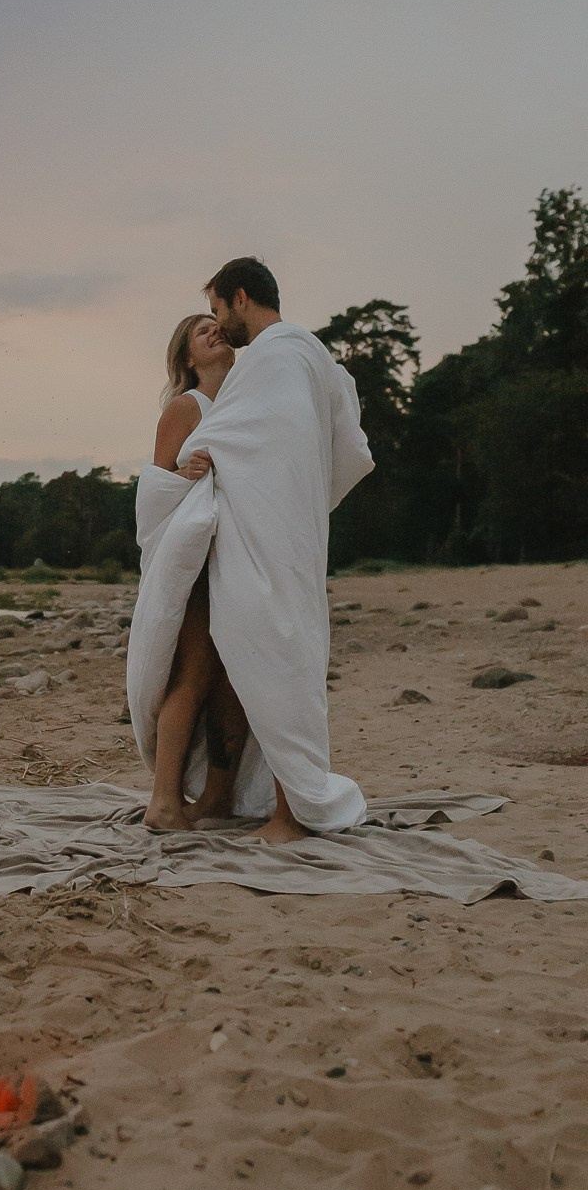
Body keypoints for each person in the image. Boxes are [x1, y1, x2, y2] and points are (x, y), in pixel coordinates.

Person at [180, 255, 375, 841]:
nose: (218, 325)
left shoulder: (280, 352)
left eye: (217, 310)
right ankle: (231, 797)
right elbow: (350, 448)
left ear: (240, 297)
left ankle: (290, 814)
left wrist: (211, 447)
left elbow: (265, 432)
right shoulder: (313, 357)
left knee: (282, 660)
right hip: (284, 531)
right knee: (253, 661)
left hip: (273, 536)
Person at [142, 314, 245, 831]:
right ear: (187, 359)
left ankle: (217, 799)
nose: (215, 333)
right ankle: (163, 802)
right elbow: (155, 492)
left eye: (217, 326)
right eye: (201, 333)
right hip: (201, 567)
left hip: (245, 560)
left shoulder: (247, 401)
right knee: (196, 674)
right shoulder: (186, 407)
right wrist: (186, 476)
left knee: (237, 681)